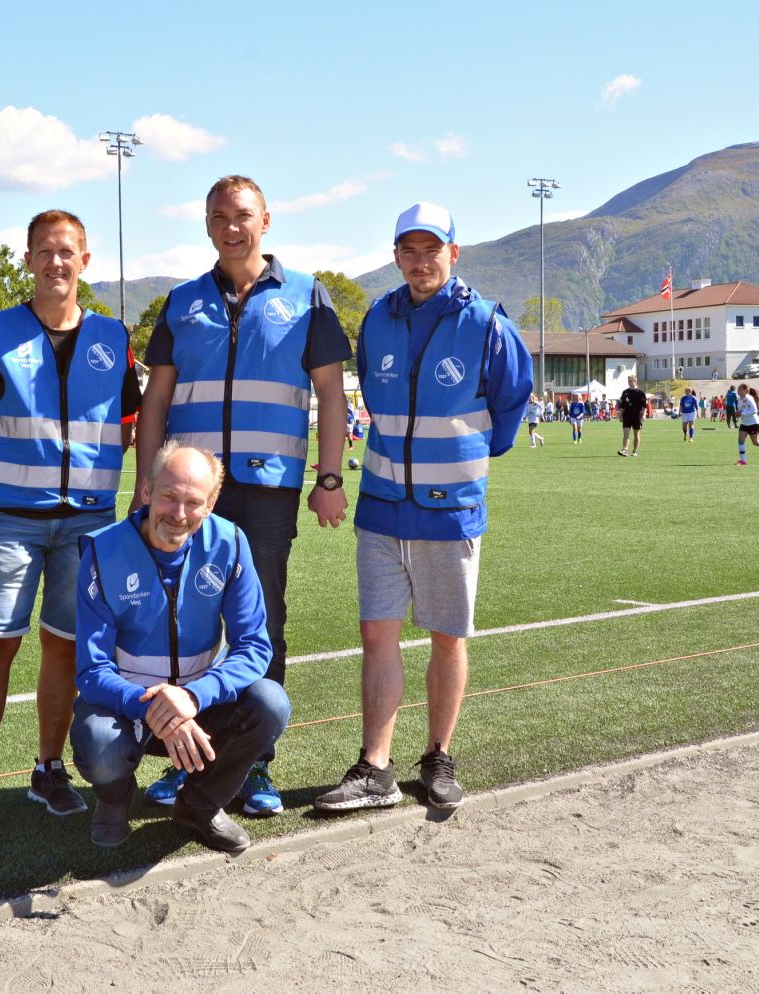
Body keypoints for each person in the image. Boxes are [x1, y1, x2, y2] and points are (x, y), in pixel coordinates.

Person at [0, 209, 141, 839]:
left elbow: (126, 427)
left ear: (85, 261)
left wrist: (88, 480)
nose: (56, 262)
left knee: (64, 649)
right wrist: (15, 480)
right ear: (28, 260)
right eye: (45, 251)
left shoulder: (112, 337)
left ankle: (48, 770)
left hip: (89, 524)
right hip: (13, 522)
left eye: (67, 251)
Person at [133, 175, 352, 816]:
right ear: (206, 224)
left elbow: (332, 394)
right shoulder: (181, 302)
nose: (233, 226)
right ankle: (184, 757)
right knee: (183, 624)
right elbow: (157, 401)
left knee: (262, 626)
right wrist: (147, 483)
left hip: (266, 490)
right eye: (221, 216)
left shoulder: (308, 295)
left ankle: (254, 765)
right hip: (185, 495)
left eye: (244, 215)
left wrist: (329, 477)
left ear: (267, 220)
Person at [314, 201, 532, 815]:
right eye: (407, 250)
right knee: (375, 635)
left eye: (431, 249)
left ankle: (438, 756)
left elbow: (513, 404)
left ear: (454, 253)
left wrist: (462, 461)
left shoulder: (488, 322)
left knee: (447, 638)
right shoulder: (378, 318)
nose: (419, 261)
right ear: (395, 255)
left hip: (449, 511)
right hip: (381, 505)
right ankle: (375, 769)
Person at [71, 441, 288, 853]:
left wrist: (192, 696)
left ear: (211, 504)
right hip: (126, 707)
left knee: (270, 702)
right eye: (169, 496)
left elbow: (255, 647)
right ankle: (114, 802)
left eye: (193, 501)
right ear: (148, 490)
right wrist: (154, 706)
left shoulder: (231, 543)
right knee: (99, 743)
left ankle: (200, 804)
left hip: (199, 706)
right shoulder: (103, 551)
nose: (180, 513)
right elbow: (91, 670)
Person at [618, 376, 648, 457]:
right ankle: (625, 450)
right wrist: (620, 415)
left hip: (637, 416)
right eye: (629, 381)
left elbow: (644, 406)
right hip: (627, 416)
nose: (630, 382)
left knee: (636, 434)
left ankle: (635, 450)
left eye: (631, 381)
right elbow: (622, 406)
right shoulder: (625, 392)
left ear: (635, 381)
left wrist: (644, 415)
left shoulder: (641, 393)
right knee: (626, 434)